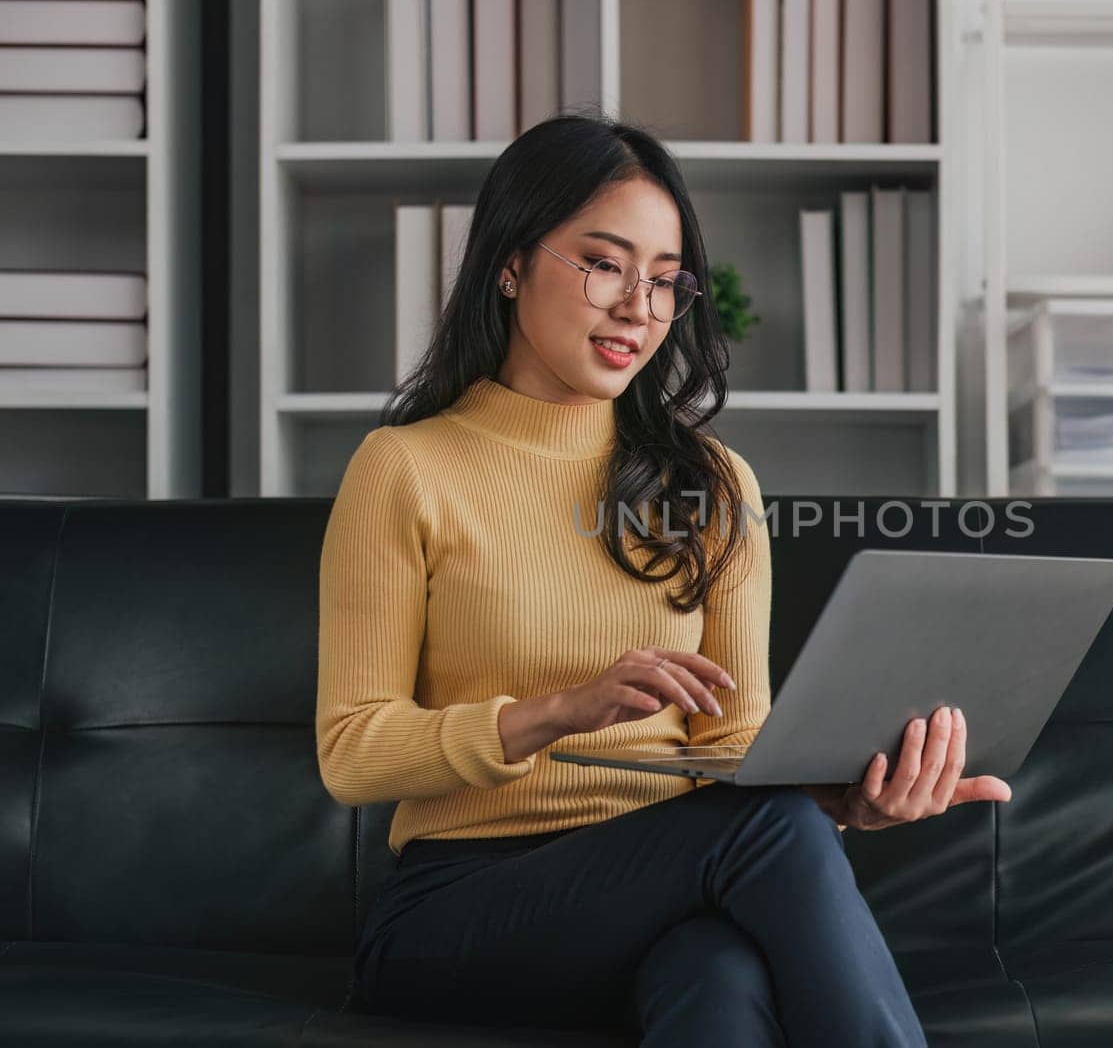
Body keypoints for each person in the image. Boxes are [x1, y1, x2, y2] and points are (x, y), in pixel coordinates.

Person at [315, 112, 1013, 1047]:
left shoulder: (713, 485)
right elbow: (353, 751)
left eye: (663, 280)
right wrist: (555, 712)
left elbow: (737, 747)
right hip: (462, 904)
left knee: (717, 975)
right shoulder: (403, 469)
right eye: (605, 264)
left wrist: (848, 805)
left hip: (676, 893)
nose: (639, 308)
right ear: (510, 262)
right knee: (760, 838)